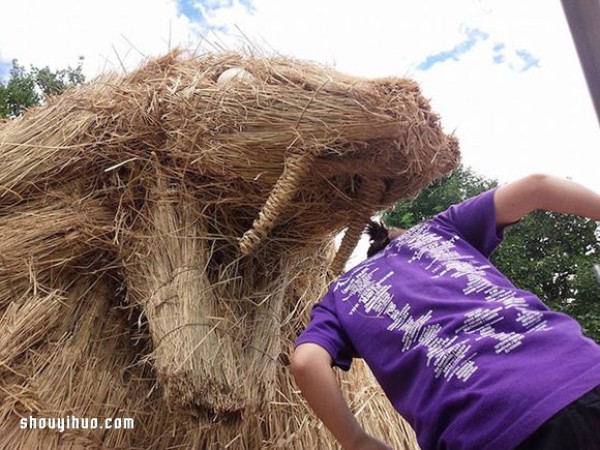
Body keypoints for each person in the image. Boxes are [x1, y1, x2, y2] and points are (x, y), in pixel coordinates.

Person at [291, 173, 600, 450]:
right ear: (402, 235)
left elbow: (306, 361)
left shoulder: (339, 296)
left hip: (484, 430)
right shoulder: (440, 230)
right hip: (582, 372)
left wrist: (356, 440)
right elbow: (538, 185)